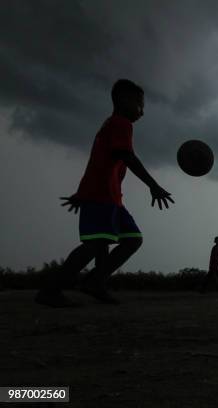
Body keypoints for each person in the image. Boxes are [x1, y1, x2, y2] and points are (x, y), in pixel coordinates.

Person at [35, 79, 174, 307]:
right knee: (96, 243)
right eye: (140, 104)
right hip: (101, 195)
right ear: (123, 101)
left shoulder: (111, 125)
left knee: (131, 240)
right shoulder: (120, 124)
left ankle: (96, 282)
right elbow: (126, 157)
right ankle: (51, 289)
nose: (142, 111)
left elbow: (97, 162)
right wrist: (153, 185)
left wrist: (80, 192)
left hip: (111, 197)